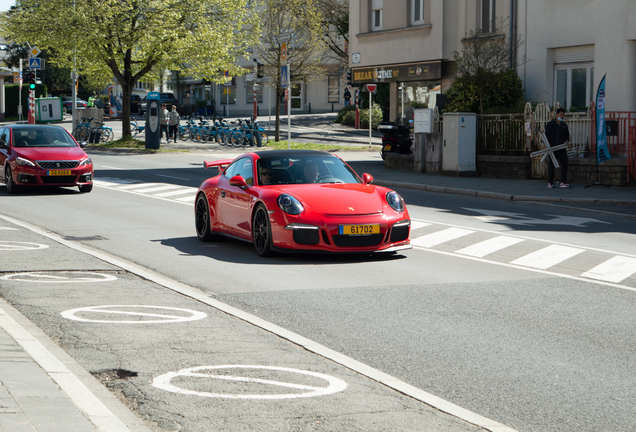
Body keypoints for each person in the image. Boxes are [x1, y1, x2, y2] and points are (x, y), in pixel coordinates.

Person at [545, 107, 570, 188]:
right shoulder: (550, 124)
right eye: (561, 115)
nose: (562, 116)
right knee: (552, 165)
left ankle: (563, 181)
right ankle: (550, 182)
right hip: (552, 148)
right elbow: (546, 136)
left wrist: (567, 142)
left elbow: (567, 136)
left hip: (561, 148)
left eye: (563, 115)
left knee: (565, 163)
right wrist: (547, 146)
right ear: (556, 115)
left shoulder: (564, 125)